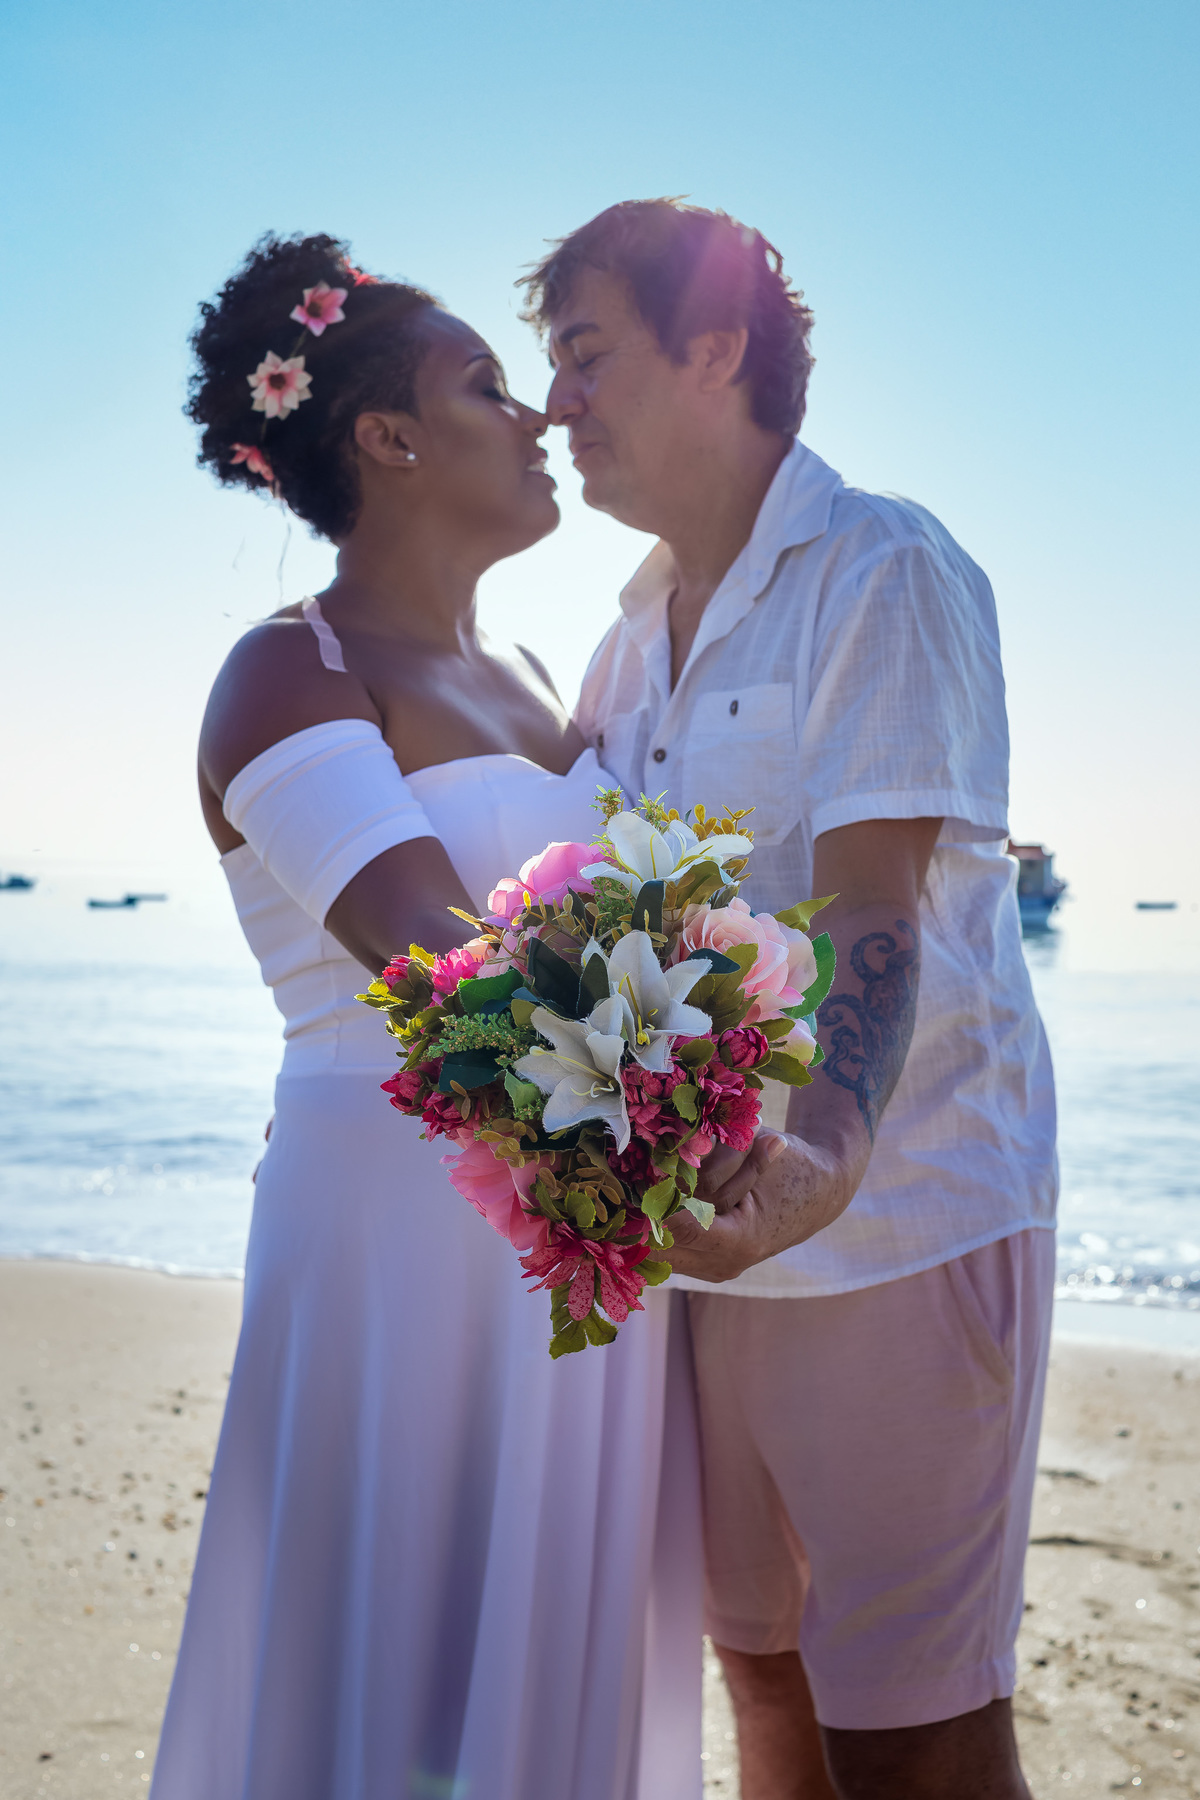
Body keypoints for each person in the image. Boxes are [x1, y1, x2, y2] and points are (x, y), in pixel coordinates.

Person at [152, 231, 703, 1800]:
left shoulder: (547, 677)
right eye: (486, 386)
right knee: (383, 1684)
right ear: (385, 440)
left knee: (550, 1681)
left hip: (586, 1230)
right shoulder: (285, 673)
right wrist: (680, 1084)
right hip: (396, 1230)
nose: (536, 412)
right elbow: (439, 970)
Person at [522, 200, 1057, 1800]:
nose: (559, 405)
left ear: (716, 346)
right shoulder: (626, 638)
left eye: (586, 354)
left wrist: (818, 1161)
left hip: (897, 1225)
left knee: (917, 1733)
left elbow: (876, 910)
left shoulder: (881, 564)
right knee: (763, 1685)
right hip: (712, 1253)